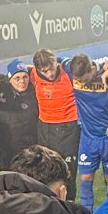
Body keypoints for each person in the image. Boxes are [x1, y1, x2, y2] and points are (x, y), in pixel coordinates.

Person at [67, 53, 108, 209]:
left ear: (91, 69)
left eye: (83, 79)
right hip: (88, 138)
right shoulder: (70, 68)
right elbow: (55, 63)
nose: (81, 83)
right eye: (78, 80)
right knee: (85, 178)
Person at [29, 48, 79, 197]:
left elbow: (85, 67)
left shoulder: (68, 73)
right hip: (45, 128)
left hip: (68, 128)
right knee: (46, 170)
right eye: (45, 71)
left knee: (67, 172)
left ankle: (69, 203)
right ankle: (49, 203)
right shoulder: (32, 74)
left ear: (56, 62)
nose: (50, 74)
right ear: (38, 70)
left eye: (52, 68)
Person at [0, 59, 38, 171]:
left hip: (26, 155)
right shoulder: (0, 91)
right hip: (3, 154)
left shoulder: (34, 94)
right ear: (10, 79)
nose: (22, 81)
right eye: (17, 78)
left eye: (25, 77)